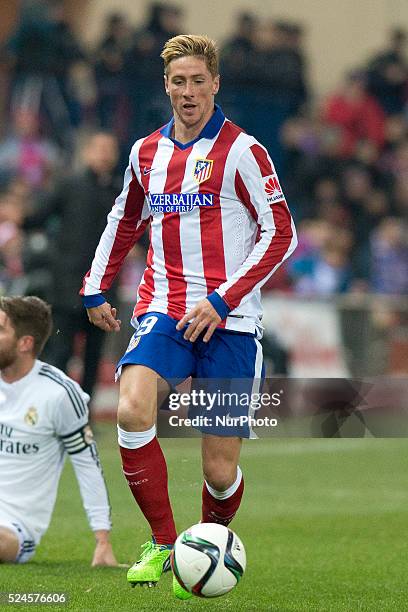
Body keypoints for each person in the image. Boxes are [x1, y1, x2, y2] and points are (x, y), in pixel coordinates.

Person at [81, 35, 297, 598]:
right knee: (130, 408)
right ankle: (161, 541)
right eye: (179, 81)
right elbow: (123, 220)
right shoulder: (144, 152)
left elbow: (281, 234)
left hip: (231, 322)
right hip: (164, 309)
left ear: (216, 84)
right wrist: (97, 284)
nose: (189, 91)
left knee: (220, 472)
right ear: (167, 87)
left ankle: (207, 550)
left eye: (199, 80)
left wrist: (223, 299)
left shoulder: (244, 152)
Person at [0, 296, 117, 566]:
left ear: (25, 343)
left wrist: (103, 540)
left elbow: (87, 464)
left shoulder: (58, 393)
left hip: (14, 528)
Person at [23, 132, 121, 406]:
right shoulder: (68, 185)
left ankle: (84, 414)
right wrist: (22, 218)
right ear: (87, 152)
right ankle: (54, 409)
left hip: (103, 290)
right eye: (99, 148)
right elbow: (37, 217)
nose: (105, 155)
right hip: (67, 286)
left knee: (93, 355)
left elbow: (137, 231)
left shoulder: (119, 192)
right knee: (59, 351)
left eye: (109, 149)